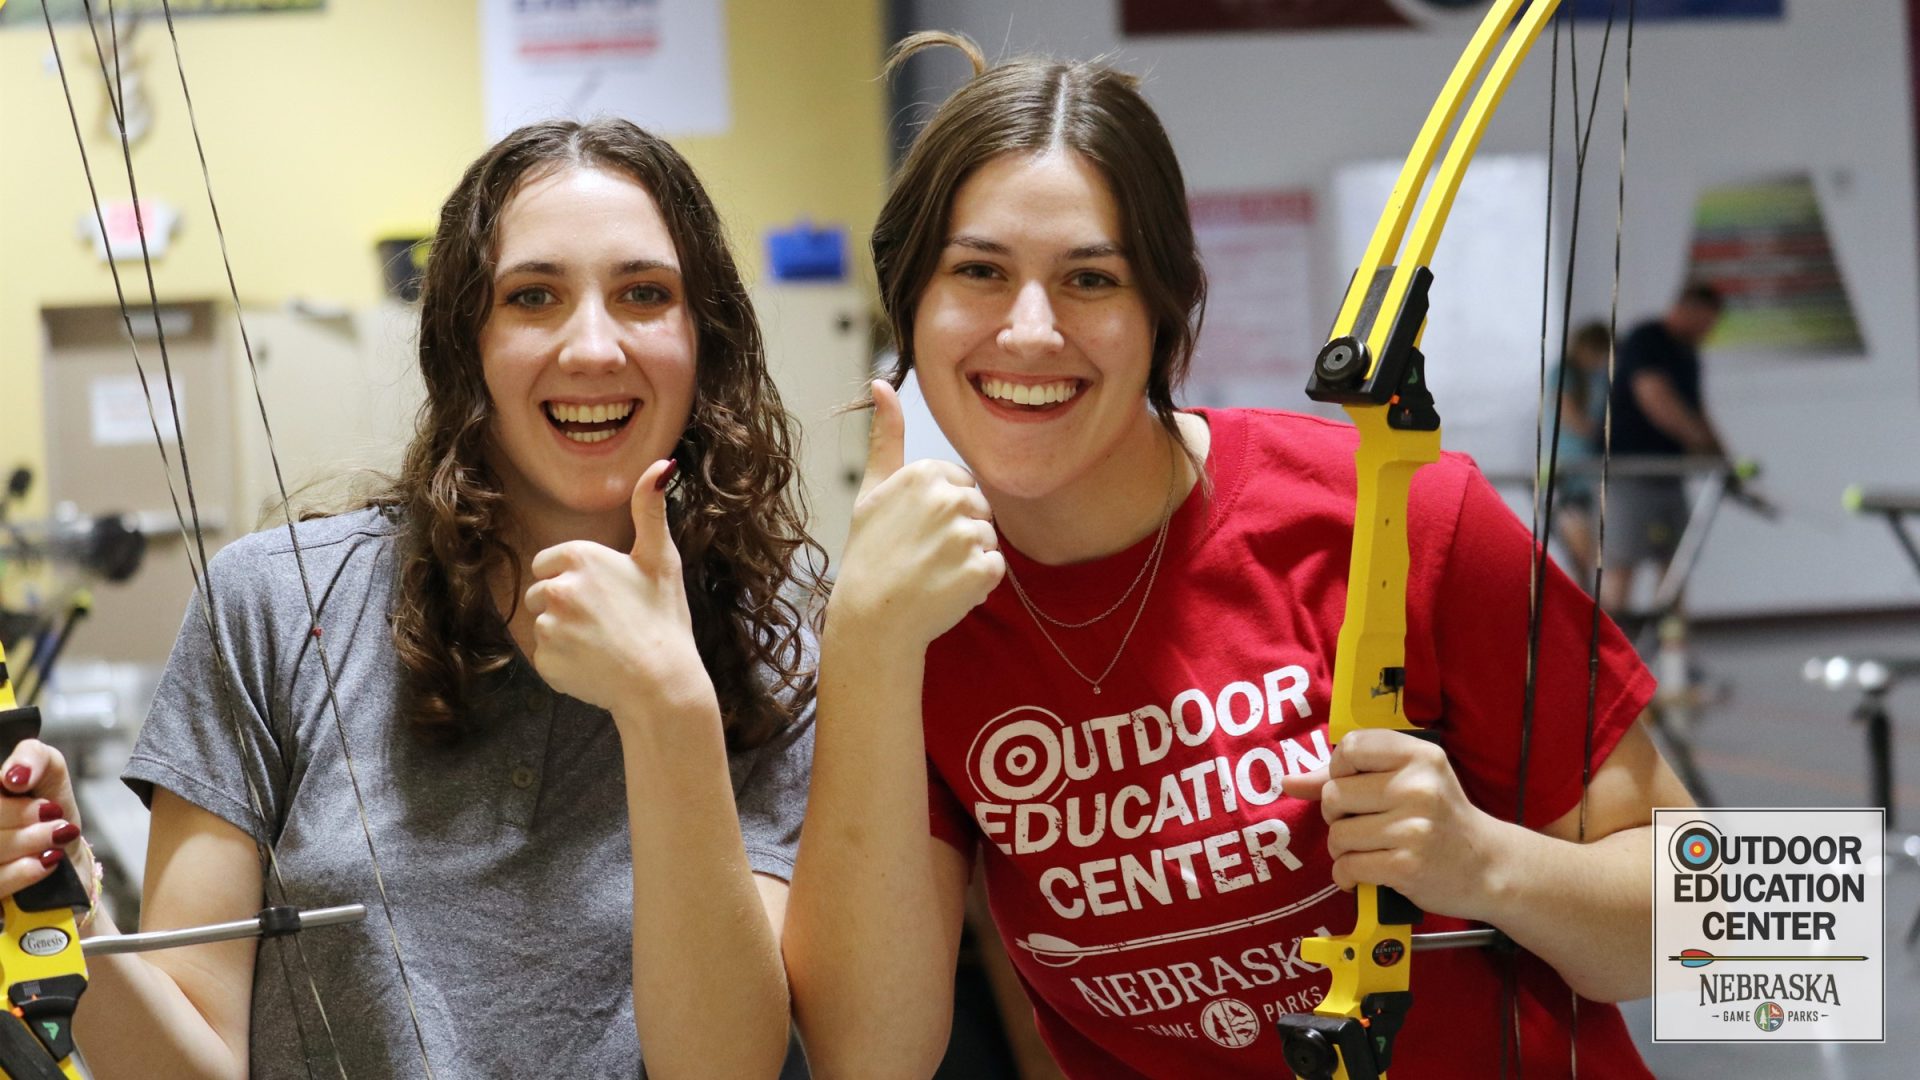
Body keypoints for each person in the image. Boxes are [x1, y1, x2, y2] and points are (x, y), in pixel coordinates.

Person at [785, 33, 1690, 1080]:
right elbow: (868, 1057)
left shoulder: (1404, 516)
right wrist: (867, 642)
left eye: (1091, 278)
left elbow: (1724, 928)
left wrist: (1490, 865)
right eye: (978, 272)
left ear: (1165, 314)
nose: (1030, 329)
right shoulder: (912, 622)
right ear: (911, 302)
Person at [0, 119, 819, 1078]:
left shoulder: (778, 656)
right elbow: (186, 1063)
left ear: (704, 338)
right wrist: (63, 906)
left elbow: (726, 1068)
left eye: (645, 294)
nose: (592, 346)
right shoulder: (273, 604)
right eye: (533, 297)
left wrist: (668, 708)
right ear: (464, 343)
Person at [1599, 283, 1727, 617]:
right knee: (1621, 565)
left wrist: (1722, 456)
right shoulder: (1647, 339)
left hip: (1669, 475)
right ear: (1688, 309)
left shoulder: (1689, 354)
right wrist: (1701, 444)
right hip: (1631, 471)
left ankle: (1674, 659)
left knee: (1674, 567)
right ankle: (1610, 660)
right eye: (1706, 323)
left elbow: (1696, 411)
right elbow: (1655, 397)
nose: (1706, 332)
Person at [1547, 321, 1612, 586]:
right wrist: (1597, 432)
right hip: (1569, 466)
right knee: (1578, 541)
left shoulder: (1598, 377)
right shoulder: (1564, 372)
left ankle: (1589, 591)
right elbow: (1570, 414)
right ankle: (1584, 590)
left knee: (1593, 541)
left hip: (1592, 466)